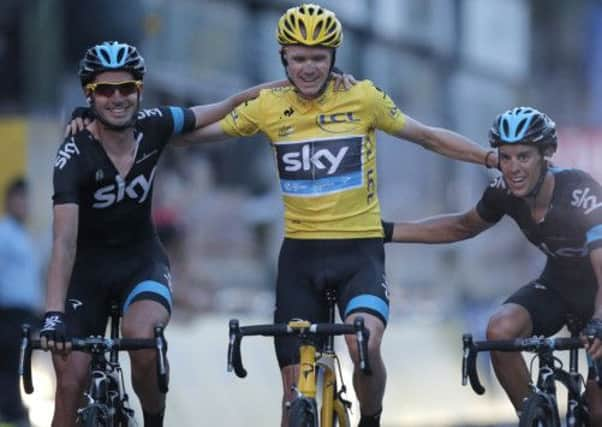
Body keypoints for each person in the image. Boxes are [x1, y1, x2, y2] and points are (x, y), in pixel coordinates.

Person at [173, 4, 496, 426]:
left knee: (364, 347)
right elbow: (192, 136)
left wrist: (489, 157)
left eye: (319, 58)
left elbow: (428, 137)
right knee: (293, 401)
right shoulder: (269, 106)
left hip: (357, 254)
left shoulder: (362, 97)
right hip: (299, 259)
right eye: (299, 58)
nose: (309, 68)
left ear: (333, 58)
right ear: (284, 59)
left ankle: (371, 418)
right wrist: (124, 128)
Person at [40, 40, 301, 427]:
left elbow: (222, 108)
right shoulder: (73, 156)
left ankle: (154, 421)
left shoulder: (155, 125)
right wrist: (53, 315)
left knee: (141, 338)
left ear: (139, 90)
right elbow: (63, 242)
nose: (117, 98)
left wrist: (281, 88)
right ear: (89, 95)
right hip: (86, 275)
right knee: (70, 383)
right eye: (105, 90)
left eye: (126, 88)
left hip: (141, 263)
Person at [382, 106, 602, 423]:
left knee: (597, 408)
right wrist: (387, 232)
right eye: (505, 156)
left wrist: (598, 319)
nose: (513, 168)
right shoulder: (503, 193)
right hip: (559, 286)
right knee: (500, 330)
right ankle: (534, 417)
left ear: (547, 154)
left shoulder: (580, 192)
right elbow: (461, 226)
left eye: (523, 156)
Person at [0, 177, 42, 427]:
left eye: (26, 199)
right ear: (9, 201)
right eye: (19, 198)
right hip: (7, 315)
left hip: (25, 315)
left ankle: (14, 414)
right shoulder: (4, 233)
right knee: (8, 369)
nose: (24, 204)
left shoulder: (25, 236)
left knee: (18, 367)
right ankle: (15, 416)